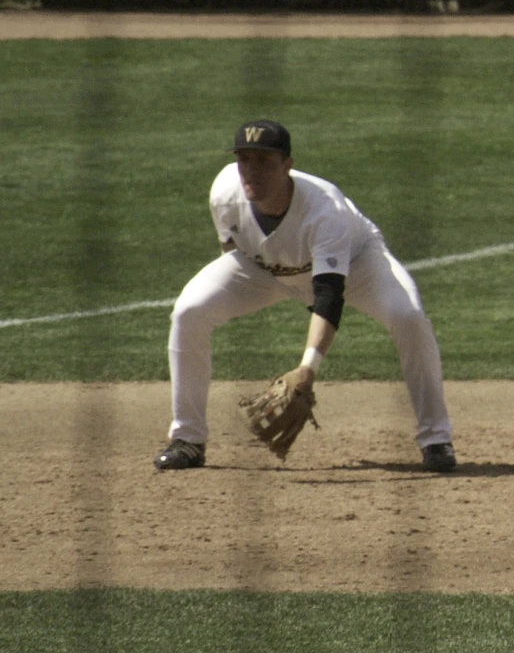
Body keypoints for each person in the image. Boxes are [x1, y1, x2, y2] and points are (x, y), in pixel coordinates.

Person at [153, 120, 455, 473]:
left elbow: (328, 295)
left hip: (357, 267)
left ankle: (436, 440)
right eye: (245, 160)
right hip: (265, 269)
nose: (252, 171)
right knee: (189, 311)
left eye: (264, 162)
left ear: (287, 165)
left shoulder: (326, 212)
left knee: (409, 317)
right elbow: (231, 249)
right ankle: (188, 440)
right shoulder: (224, 191)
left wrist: (307, 369)